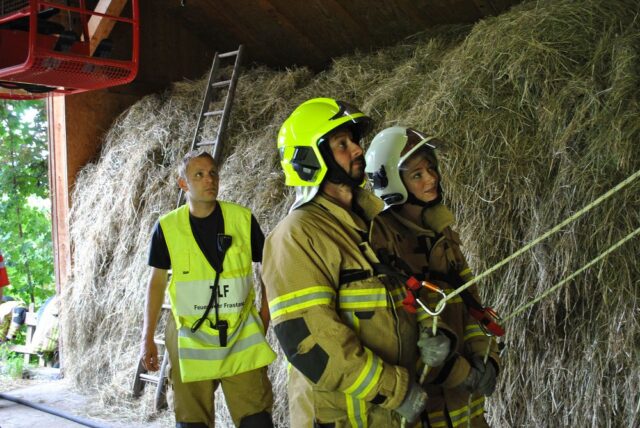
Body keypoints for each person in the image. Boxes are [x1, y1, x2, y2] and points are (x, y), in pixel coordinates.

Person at [262, 98, 451, 427]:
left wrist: (430, 330)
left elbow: (409, 288)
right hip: (343, 418)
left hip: (390, 415)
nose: (357, 151)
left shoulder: (376, 221)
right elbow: (313, 342)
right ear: (309, 158)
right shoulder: (296, 236)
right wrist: (396, 391)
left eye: (354, 141)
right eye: (341, 144)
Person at [365, 126, 501, 427]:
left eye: (431, 168)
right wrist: (463, 373)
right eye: (417, 174)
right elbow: (402, 334)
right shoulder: (380, 240)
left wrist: (488, 358)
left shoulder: (442, 232)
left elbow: (471, 304)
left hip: (463, 410)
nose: (431, 178)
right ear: (391, 183)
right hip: (421, 410)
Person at [140, 149, 276, 428]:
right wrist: (148, 337)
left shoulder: (243, 219)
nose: (209, 180)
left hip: (240, 337)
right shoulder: (167, 228)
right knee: (193, 423)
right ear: (183, 184)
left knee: (257, 420)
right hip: (191, 340)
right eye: (199, 175)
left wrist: (265, 315)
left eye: (213, 173)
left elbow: (268, 269)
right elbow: (156, 283)